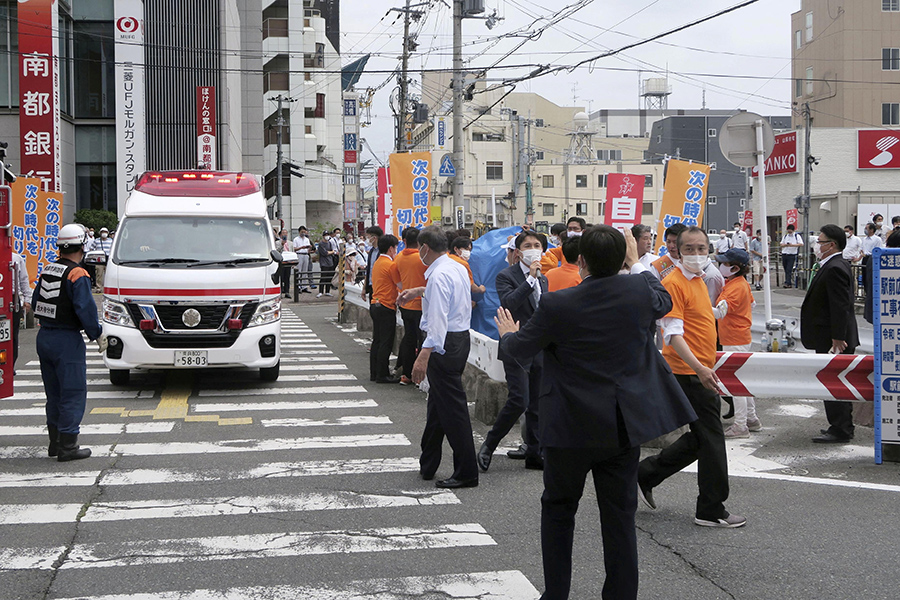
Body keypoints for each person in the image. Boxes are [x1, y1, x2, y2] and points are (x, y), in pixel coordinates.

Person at [494, 226, 696, 600]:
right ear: (622, 258)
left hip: (569, 425)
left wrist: (507, 334)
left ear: (580, 260)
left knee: (559, 510)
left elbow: (518, 351)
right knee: (619, 516)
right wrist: (635, 265)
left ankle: (556, 593)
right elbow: (662, 298)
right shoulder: (638, 291)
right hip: (621, 424)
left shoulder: (558, 303)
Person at [638, 226, 746, 529]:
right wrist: (700, 368)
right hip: (689, 372)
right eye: (690, 249)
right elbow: (672, 335)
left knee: (703, 438)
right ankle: (711, 509)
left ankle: (646, 473)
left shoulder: (698, 279)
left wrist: (715, 313)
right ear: (677, 251)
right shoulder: (673, 282)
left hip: (699, 370)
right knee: (712, 439)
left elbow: (696, 315)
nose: (697, 254)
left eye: (702, 248)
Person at [397, 225, 478, 489]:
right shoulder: (453, 267)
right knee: (438, 405)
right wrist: (419, 291)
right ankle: (428, 462)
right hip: (457, 339)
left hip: (443, 344)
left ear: (424, 248)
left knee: (453, 410)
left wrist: (424, 356)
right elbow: (449, 299)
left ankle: (466, 471)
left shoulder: (441, 274)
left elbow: (438, 320)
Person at [478, 230, 549, 473]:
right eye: (528, 245)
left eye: (537, 244)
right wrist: (530, 279)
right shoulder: (505, 276)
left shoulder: (544, 278)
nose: (533, 248)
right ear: (518, 252)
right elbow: (509, 303)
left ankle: (534, 453)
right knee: (520, 399)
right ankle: (489, 443)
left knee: (538, 403)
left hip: (539, 346)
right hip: (516, 346)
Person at [34, 224, 105, 462]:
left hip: (44, 337)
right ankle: (68, 446)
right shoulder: (78, 274)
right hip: (66, 339)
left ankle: (54, 443)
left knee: (53, 393)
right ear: (83, 246)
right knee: (73, 392)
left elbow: (36, 303)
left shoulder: (48, 269)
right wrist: (97, 334)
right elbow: (85, 309)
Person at [802, 225, 860, 443]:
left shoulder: (835, 267)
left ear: (831, 245)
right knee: (833, 380)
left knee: (835, 381)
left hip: (834, 339)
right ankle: (838, 425)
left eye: (820, 241)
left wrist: (838, 337)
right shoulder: (830, 265)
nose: (817, 245)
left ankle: (842, 428)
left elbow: (840, 306)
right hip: (829, 336)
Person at [712, 249, 759, 438]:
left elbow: (720, 313)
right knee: (742, 380)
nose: (720, 265)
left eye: (724, 263)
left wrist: (697, 306)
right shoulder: (740, 284)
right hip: (740, 336)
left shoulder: (734, 287)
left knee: (736, 384)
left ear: (735, 267)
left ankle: (741, 426)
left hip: (734, 339)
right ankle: (751, 419)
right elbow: (752, 305)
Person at [390, 227, 428, 385]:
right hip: (423, 305)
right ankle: (420, 376)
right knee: (422, 340)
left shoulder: (398, 259)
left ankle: (406, 374)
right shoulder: (424, 259)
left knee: (409, 337)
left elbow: (396, 281)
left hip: (406, 305)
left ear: (404, 240)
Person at [370, 234, 400, 384]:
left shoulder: (378, 262)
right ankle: (383, 374)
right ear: (390, 248)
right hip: (386, 305)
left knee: (377, 340)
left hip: (375, 303)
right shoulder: (391, 265)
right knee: (385, 342)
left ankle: (374, 373)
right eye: (395, 247)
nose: (396, 250)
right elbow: (400, 286)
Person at [11, 252, 32, 368]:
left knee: (13, 334)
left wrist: (27, 299)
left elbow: (24, 279)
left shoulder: (16, 258)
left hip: (13, 298)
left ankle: (11, 365)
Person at [362, 225, 383, 302]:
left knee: (378, 308)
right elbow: (368, 270)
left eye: (368, 237)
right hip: (371, 286)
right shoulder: (371, 251)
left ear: (374, 238)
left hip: (380, 287)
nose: (367, 240)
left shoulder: (383, 251)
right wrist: (364, 288)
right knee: (373, 309)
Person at [90, 227, 113, 292]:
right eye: (102, 232)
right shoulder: (96, 241)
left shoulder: (111, 241)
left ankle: (108, 288)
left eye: (105, 232)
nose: (104, 233)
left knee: (108, 274)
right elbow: (91, 248)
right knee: (99, 274)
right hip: (99, 259)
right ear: (100, 233)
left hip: (108, 259)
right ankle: (98, 288)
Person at [292, 226, 314, 293]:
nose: (303, 233)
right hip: (299, 254)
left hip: (306, 255)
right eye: (302, 232)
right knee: (299, 270)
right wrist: (302, 247)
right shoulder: (296, 239)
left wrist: (309, 248)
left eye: (304, 232)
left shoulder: (307, 239)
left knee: (305, 271)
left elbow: (308, 249)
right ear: (299, 232)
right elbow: (294, 249)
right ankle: (298, 286)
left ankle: (304, 286)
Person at [316, 231, 337, 297]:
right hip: (324, 263)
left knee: (329, 277)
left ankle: (327, 291)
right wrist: (332, 252)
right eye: (325, 235)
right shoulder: (321, 244)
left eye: (328, 235)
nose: (327, 236)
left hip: (330, 262)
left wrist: (331, 252)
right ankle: (320, 291)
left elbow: (332, 251)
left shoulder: (329, 243)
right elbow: (325, 253)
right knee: (323, 277)